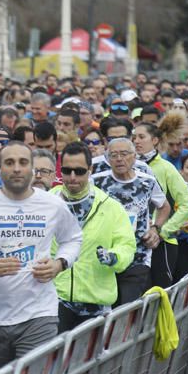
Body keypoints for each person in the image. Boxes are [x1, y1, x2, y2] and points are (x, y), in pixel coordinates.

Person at [0, 141, 82, 371]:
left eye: (23, 162)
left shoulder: (52, 205)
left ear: (32, 168)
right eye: (9, 163)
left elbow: (72, 239)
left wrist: (59, 264)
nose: (17, 168)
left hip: (39, 314)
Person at [52, 142, 136, 332]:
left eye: (79, 171)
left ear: (90, 170)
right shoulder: (47, 202)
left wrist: (114, 257)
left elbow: (127, 245)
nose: (72, 177)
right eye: (67, 171)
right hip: (55, 298)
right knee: (54, 360)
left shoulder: (110, 206)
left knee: (91, 361)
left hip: (95, 302)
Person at [91, 139, 170, 304]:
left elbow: (164, 206)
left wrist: (155, 228)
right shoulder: (96, 181)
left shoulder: (147, 181)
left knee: (128, 306)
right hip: (105, 256)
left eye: (124, 154)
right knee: (107, 308)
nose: (119, 159)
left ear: (134, 157)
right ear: (108, 159)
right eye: (114, 155)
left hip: (138, 256)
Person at [132, 120, 188, 287]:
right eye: (134, 137)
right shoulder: (128, 168)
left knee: (160, 293)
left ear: (155, 140)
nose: (136, 141)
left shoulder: (166, 168)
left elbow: (186, 205)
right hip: (133, 241)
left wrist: (162, 231)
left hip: (163, 242)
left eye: (141, 137)